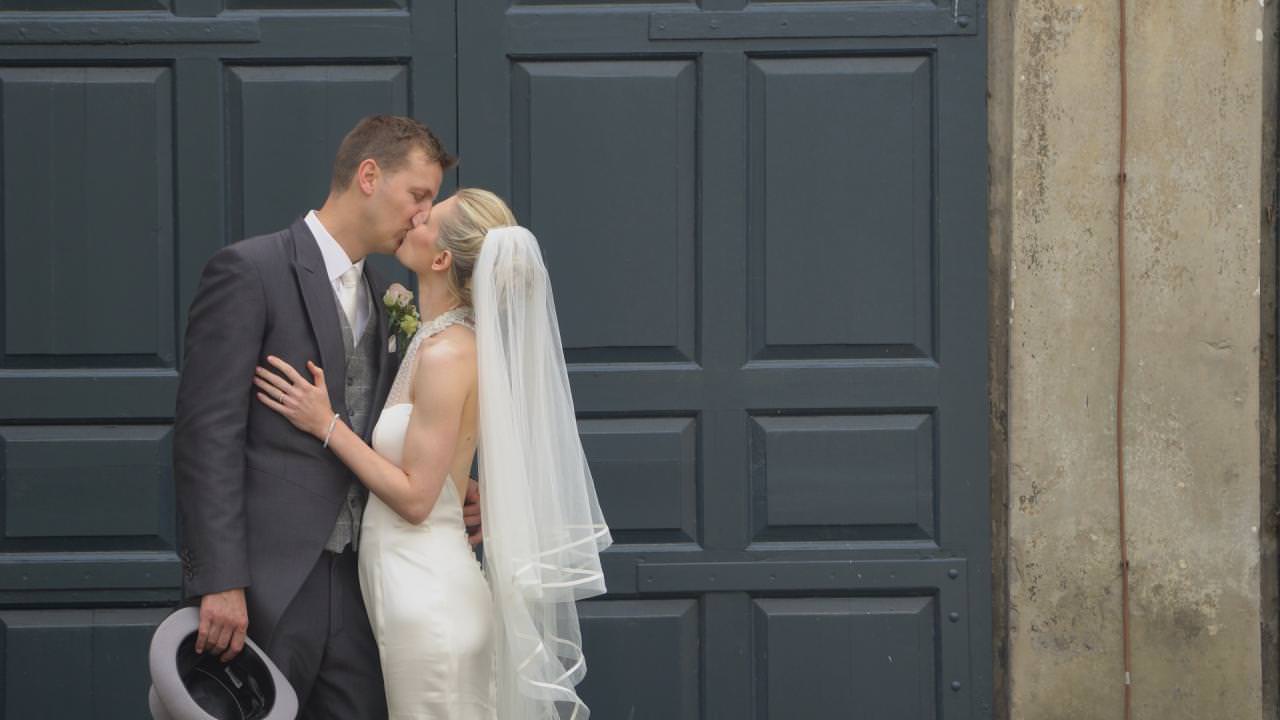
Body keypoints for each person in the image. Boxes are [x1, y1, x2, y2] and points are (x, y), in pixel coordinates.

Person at [253, 188, 612, 718]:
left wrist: (325, 423)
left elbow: (417, 500)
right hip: (407, 588)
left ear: (442, 259)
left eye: (428, 218)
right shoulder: (432, 339)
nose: (414, 216)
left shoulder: (448, 354)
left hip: (429, 598)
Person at [174, 115, 482, 719]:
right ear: (368, 176)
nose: (423, 215)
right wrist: (220, 578)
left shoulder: (387, 297)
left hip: (366, 588)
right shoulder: (251, 270)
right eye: (418, 195)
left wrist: (454, 482)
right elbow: (206, 436)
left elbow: (393, 425)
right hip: (268, 587)